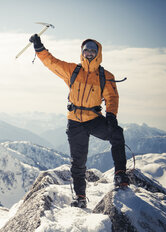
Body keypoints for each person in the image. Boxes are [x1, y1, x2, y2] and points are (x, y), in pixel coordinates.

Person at [29, 34, 129, 208]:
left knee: (116, 133)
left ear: (98, 53)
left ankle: (120, 173)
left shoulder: (105, 76)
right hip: (75, 121)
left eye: (92, 50)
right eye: (86, 50)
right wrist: (39, 47)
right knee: (78, 161)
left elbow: (112, 97)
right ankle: (80, 197)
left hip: (93, 119)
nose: (89, 53)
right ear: (82, 53)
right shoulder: (73, 71)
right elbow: (52, 62)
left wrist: (111, 115)